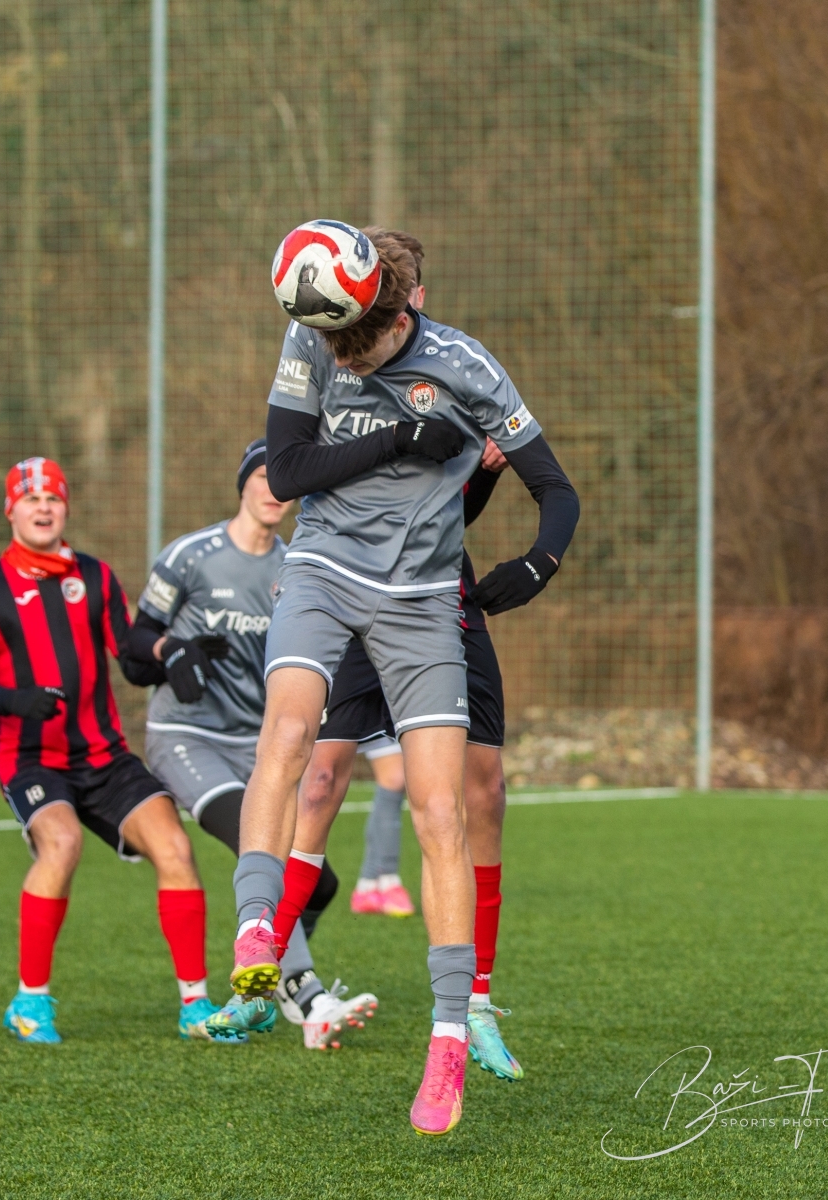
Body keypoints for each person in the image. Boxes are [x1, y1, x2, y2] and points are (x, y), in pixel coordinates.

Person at [226, 222, 578, 1135]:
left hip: (424, 601)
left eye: (357, 341)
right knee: (291, 740)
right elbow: (288, 469)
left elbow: (556, 488)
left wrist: (536, 564)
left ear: (395, 309)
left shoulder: (466, 365)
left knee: (443, 810)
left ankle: (453, 1033)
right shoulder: (310, 333)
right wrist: (394, 437)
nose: (339, 355)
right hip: (323, 572)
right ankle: (258, 927)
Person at [295, 442, 535, 1081]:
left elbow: (447, 510)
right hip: (356, 600)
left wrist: (484, 475)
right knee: (317, 782)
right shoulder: (344, 415)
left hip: (440, 602)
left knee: (482, 793)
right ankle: (266, 969)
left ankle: (475, 1004)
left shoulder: (452, 404)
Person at [128, 439, 378, 1050]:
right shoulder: (191, 556)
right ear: (242, 483)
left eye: (284, 479)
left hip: (259, 745)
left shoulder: (299, 567)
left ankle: (267, 977)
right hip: (187, 736)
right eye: (262, 476)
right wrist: (172, 653)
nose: (272, 489)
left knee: (318, 882)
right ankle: (307, 998)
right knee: (257, 845)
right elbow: (134, 646)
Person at [0, 458, 214, 1045]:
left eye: (53, 498)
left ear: (65, 508)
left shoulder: (94, 577)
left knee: (175, 846)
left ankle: (196, 1006)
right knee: (63, 843)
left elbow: (129, 655)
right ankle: (30, 1002)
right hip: (30, 758)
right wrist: (18, 701)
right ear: (11, 510)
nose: (43, 507)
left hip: (103, 754)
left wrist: (176, 653)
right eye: (31, 499)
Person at [298, 719, 412, 917]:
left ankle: (373, 883)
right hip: (362, 703)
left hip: (396, 703)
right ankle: (380, 881)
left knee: (396, 779)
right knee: (393, 777)